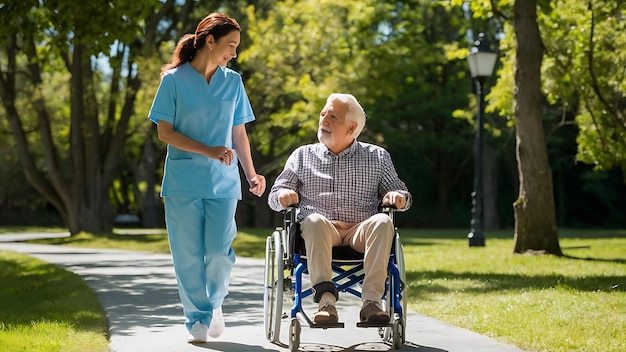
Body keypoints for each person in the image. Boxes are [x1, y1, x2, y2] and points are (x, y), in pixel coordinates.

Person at [148, 12, 266, 344]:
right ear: (210, 41)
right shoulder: (173, 80)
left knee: (218, 251)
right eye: (230, 45)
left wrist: (251, 173)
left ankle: (214, 306)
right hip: (183, 181)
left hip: (224, 182)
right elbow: (165, 132)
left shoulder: (233, 81)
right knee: (187, 254)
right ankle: (197, 318)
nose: (234, 53)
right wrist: (207, 150)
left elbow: (239, 133)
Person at [267, 93, 411, 325]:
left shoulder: (377, 157)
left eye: (333, 116)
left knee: (384, 222)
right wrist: (283, 196)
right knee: (313, 220)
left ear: (352, 127)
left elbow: (401, 192)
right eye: (323, 114)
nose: (323, 120)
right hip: (322, 231)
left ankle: (372, 302)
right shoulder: (302, 156)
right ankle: (325, 302)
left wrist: (398, 197)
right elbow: (275, 195)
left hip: (360, 231)